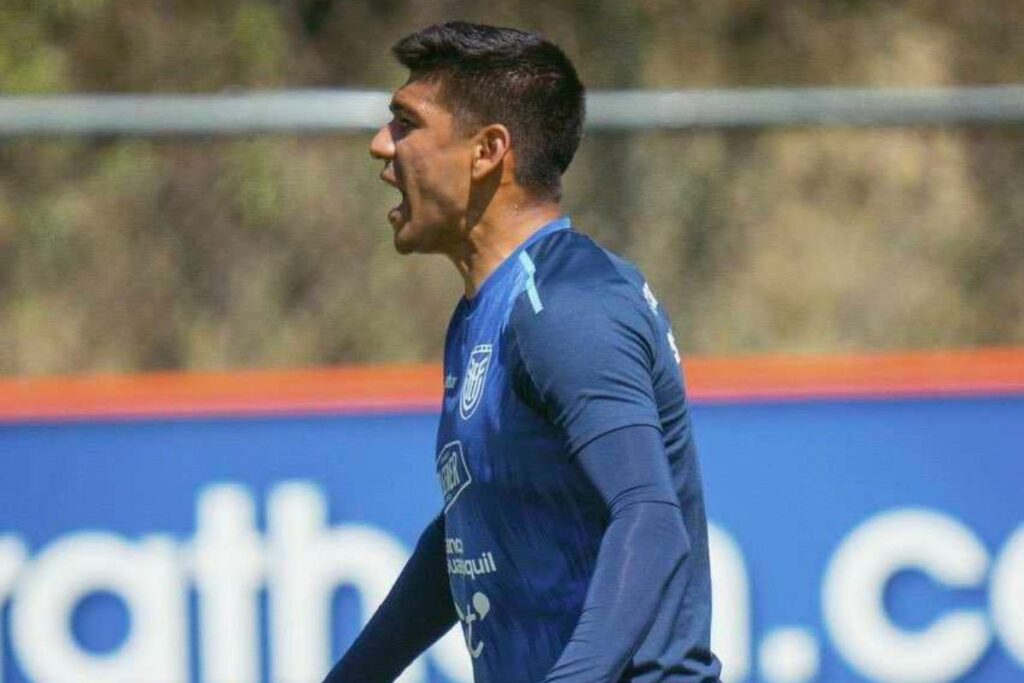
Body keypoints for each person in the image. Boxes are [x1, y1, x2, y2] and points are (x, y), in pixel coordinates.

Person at [323, 21, 722, 683]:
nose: (379, 146)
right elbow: (470, 531)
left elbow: (651, 518)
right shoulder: (492, 309)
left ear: (488, 150)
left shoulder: (566, 306)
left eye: (405, 124)